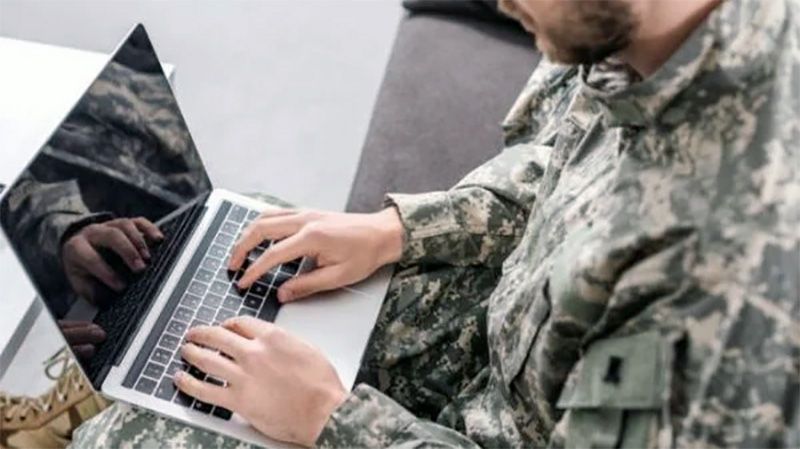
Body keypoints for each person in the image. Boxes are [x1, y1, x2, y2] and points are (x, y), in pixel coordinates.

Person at [71, 0, 799, 447]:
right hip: (505, 338)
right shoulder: (646, 34)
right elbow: (566, 162)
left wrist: (330, 418)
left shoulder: (722, 293)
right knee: (244, 250)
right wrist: (400, 230)